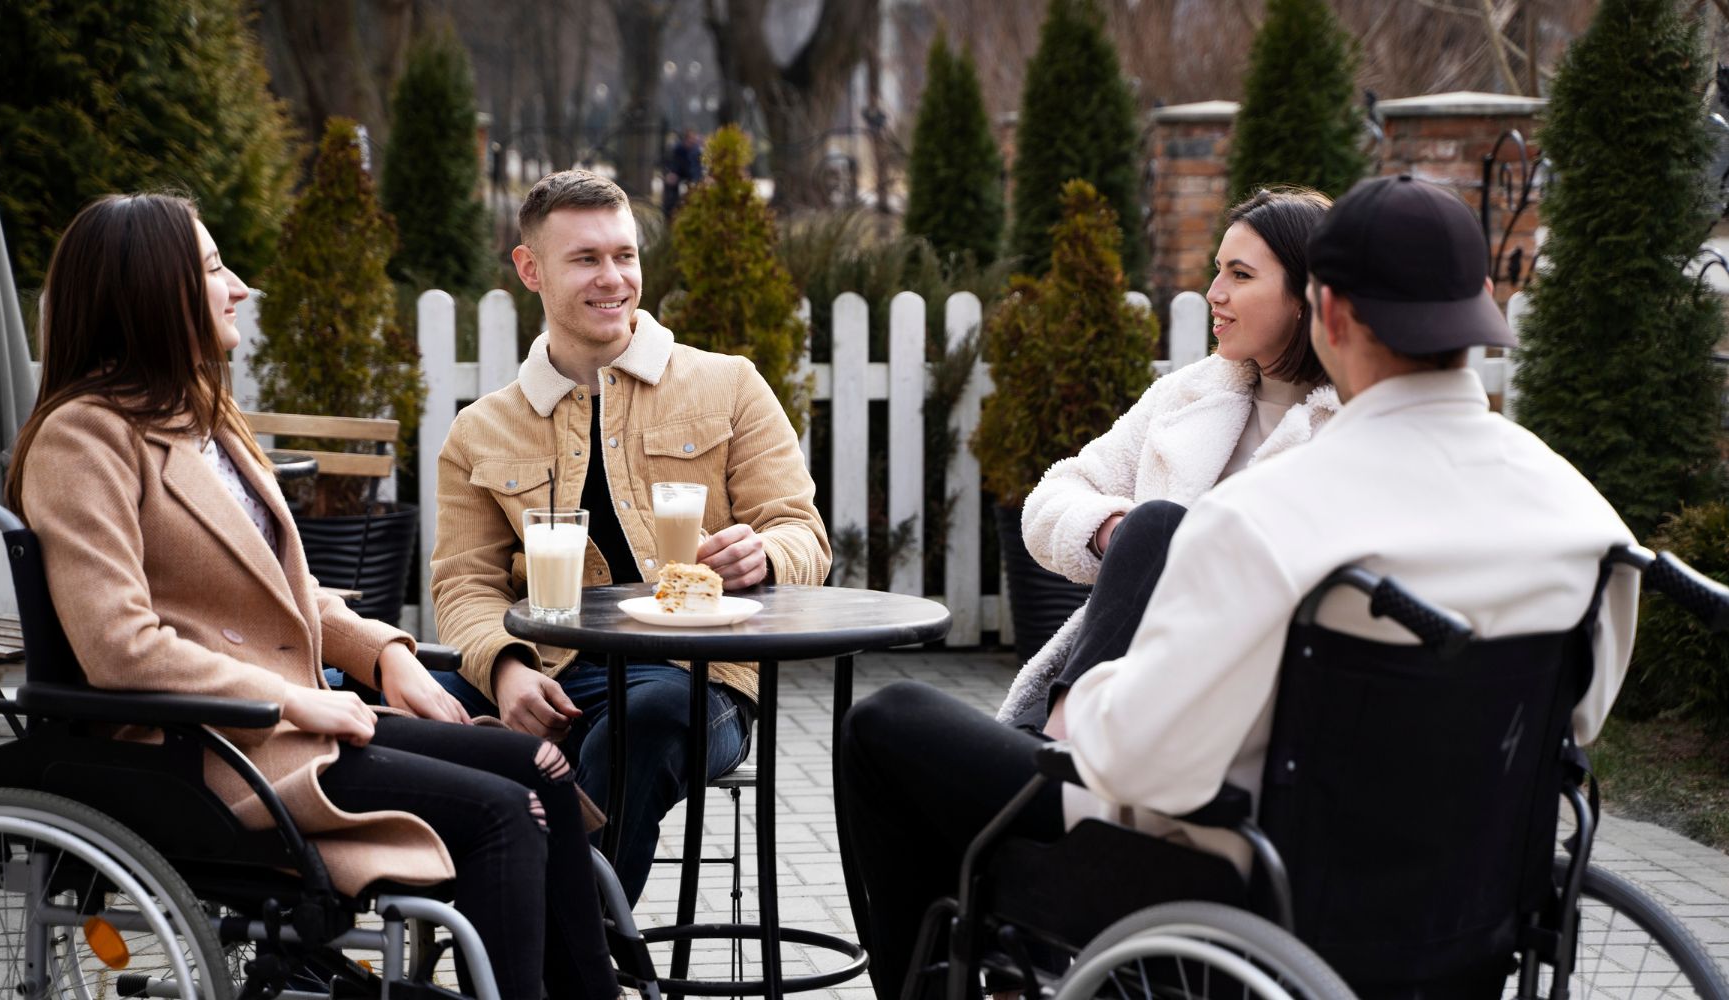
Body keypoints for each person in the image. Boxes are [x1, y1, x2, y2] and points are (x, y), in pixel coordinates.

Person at [840, 175, 1639, 999]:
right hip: (1465, 899)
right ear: (1480, 308)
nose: (1217, 294)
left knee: (888, 723)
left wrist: (1096, 693)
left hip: (1242, 885)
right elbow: (1571, 727)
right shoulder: (1589, 524)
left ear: (1325, 313)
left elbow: (1135, 764)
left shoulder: (1266, 516)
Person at [5, 193, 617, 1000]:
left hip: (282, 731)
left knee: (535, 763)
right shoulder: (83, 438)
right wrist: (296, 705)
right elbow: (121, 646)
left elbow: (282, 594)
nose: (241, 288)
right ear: (154, 289)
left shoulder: (205, 419)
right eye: (216, 268)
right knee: (504, 810)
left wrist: (386, 655)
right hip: (206, 750)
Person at [431, 169, 830, 903]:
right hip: (546, 671)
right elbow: (463, 585)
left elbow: (803, 533)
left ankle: (566, 955)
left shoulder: (729, 385)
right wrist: (505, 669)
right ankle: (381, 937)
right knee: (372, 697)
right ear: (531, 270)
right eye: (585, 259)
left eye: (625, 256)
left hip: (690, 678)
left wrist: (764, 554)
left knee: (638, 727)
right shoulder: (480, 430)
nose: (612, 278)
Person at [998, 188, 1340, 732]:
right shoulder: (1191, 393)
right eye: (1216, 271)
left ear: (1306, 294)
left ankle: (1062, 745)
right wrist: (1117, 533)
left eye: (1240, 275)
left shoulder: (1349, 427)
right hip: (1112, 676)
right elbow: (1055, 495)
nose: (1213, 292)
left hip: (1223, 713)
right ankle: (1061, 737)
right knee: (887, 719)